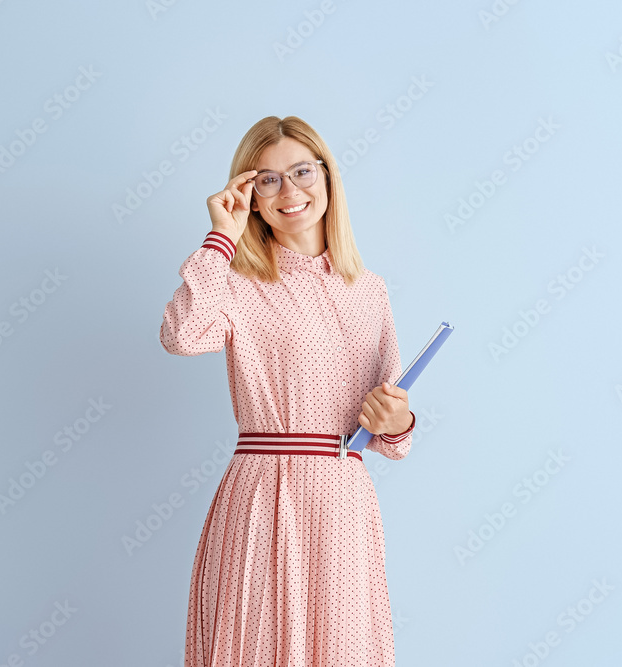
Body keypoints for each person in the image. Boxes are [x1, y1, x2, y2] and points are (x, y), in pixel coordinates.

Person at [159, 115, 417, 667]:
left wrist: (398, 422)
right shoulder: (236, 281)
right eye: (268, 180)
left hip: (343, 501)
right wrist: (220, 239)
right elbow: (180, 336)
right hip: (260, 493)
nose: (289, 190)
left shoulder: (370, 292)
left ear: (327, 177)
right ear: (250, 197)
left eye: (302, 171)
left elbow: (393, 439)